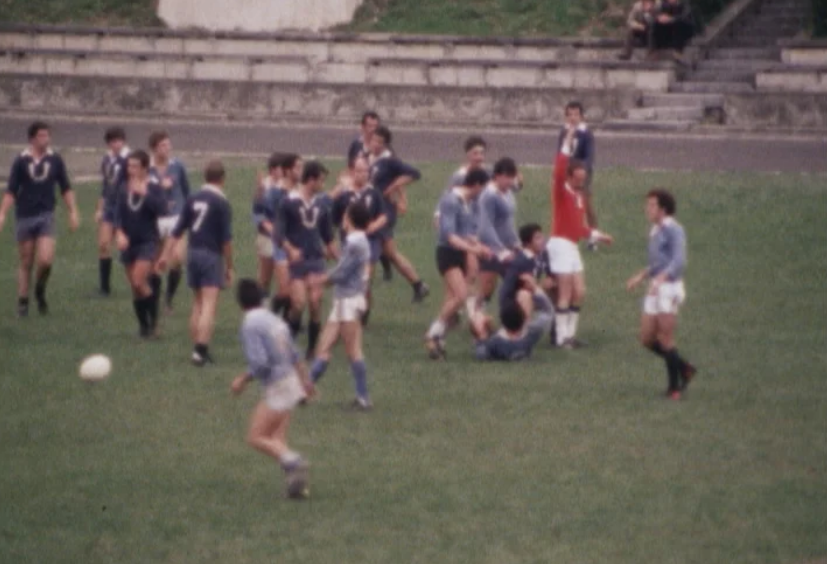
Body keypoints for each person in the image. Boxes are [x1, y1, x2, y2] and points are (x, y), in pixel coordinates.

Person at [231, 278, 314, 500]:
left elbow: (260, 363)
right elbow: (294, 353)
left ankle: (295, 462)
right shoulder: (274, 319)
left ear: (240, 303)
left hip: (278, 384)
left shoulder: (250, 324)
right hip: (291, 380)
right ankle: (296, 486)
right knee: (278, 438)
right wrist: (306, 382)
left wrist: (242, 379)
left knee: (256, 436)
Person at [0, 121, 80, 317]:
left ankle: (40, 289)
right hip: (24, 215)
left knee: (45, 260)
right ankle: (23, 301)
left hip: (46, 214)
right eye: (42, 136)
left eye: (47, 135)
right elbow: (11, 190)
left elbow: (65, 187)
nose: (46, 139)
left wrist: (72, 211)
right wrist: (2, 213)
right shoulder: (21, 161)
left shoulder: (55, 160)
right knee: (26, 261)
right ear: (32, 139)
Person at [160, 160, 234, 366]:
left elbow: (177, 231)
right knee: (209, 304)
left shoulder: (192, 198)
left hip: (192, 253)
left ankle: (197, 347)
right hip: (211, 255)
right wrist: (229, 266)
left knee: (197, 302)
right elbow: (226, 240)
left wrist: (165, 255)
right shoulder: (221, 203)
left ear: (204, 177)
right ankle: (200, 351)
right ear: (222, 179)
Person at [626, 188, 696, 400]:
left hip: (669, 288)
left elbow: (679, 261)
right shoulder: (655, 230)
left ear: (663, 209)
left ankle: (674, 388)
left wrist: (661, 279)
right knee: (646, 338)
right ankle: (684, 367)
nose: (647, 209)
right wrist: (642, 276)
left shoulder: (674, 230)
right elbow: (658, 262)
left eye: (652, 205)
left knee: (666, 338)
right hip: (655, 287)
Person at [548, 131, 613, 350]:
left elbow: (578, 227)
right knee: (565, 293)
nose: (580, 182)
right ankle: (561, 338)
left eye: (583, 179)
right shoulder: (561, 191)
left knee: (580, 292)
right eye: (577, 179)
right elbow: (558, 170)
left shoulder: (579, 196)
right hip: (560, 244)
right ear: (569, 177)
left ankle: (570, 335)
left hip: (572, 246)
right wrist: (566, 144)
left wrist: (598, 235)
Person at [308, 203, 374, 410]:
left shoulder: (355, 243)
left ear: (349, 219)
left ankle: (363, 398)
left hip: (349, 301)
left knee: (353, 350)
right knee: (324, 346)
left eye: (345, 215)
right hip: (343, 301)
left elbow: (341, 273)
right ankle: (303, 390)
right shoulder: (356, 241)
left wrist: (319, 281)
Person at [425, 169, 492, 359]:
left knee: (452, 300)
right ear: (476, 185)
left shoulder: (470, 203)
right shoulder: (451, 201)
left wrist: (480, 246)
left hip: (462, 253)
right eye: (483, 188)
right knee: (461, 295)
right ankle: (432, 333)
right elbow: (450, 236)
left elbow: (467, 233)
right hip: (448, 253)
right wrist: (474, 250)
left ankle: (438, 340)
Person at [277, 161, 337, 359]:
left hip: (316, 260)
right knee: (299, 303)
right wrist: (290, 249)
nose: (323, 185)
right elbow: (279, 234)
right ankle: (287, 341)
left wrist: (339, 257)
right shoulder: (288, 202)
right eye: (321, 180)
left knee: (315, 302)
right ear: (311, 180)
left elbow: (328, 236)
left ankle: (312, 348)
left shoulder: (321, 205)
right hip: (297, 262)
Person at [367, 125, 429, 302]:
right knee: (391, 253)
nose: (376, 144)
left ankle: (363, 294)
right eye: (374, 140)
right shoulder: (370, 158)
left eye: (380, 142)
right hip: (373, 211)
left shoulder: (389, 161)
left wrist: (394, 187)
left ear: (386, 144)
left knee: (372, 253)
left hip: (384, 212)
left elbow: (414, 173)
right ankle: (418, 285)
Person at [330, 156, 387, 326]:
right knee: (348, 278)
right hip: (348, 242)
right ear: (351, 172)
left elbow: (383, 216)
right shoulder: (344, 195)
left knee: (365, 278)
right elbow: (334, 219)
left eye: (365, 171)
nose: (362, 174)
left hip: (370, 241)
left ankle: (362, 314)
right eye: (359, 171)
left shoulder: (373, 193)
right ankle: (350, 311)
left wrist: (373, 226)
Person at [114, 150, 166, 337]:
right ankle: (144, 327)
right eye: (129, 166)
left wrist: (146, 194)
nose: (131, 170)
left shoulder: (154, 187)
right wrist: (119, 233)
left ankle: (154, 324)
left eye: (135, 166)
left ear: (145, 168)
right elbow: (117, 214)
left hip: (148, 241)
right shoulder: (123, 187)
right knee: (135, 288)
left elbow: (162, 209)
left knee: (139, 280)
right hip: (129, 243)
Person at [149, 130, 191, 313]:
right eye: (162, 145)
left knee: (177, 259)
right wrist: (159, 187)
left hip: (176, 217)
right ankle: (154, 301)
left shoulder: (177, 166)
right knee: (156, 262)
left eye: (168, 144)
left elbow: (186, 190)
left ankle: (168, 299)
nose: (167, 148)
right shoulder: (147, 168)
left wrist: (190, 214)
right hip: (155, 219)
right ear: (154, 149)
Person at [476, 157, 521, 308]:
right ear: (497, 176)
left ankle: (480, 314)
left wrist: (515, 242)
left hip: (508, 247)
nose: (510, 181)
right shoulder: (489, 196)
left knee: (515, 284)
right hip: (492, 248)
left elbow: (508, 222)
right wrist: (500, 250)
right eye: (507, 177)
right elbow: (485, 226)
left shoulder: (507, 192)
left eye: (512, 177)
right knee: (487, 287)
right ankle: (476, 315)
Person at [556, 102, 599, 251]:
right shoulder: (564, 131)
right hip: (567, 173)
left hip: (581, 174)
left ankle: (593, 237)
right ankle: (565, 234)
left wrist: (582, 170)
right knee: (565, 204)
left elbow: (589, 156)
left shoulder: (586, 133)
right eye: (570, 114)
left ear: (581, 116)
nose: (573, 118)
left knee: (586, 205)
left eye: (576, 114)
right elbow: (560, 151)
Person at [471, 289, 554, 362]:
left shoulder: (495, 342)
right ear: (523, 318)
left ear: (502, 322)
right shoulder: (531, 334)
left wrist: (481, 338)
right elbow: (547, 312)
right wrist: (536, 290)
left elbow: (482, 354)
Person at [95, 126, 129, 297]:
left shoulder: (130, 159)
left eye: (119, 141)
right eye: (114, 141)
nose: (117, 144)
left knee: (127, 248)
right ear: (108, 144)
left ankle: (140, 283)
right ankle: (104, 288)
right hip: (109, 206)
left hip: (125, 208)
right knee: (103, 245)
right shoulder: (107, 159)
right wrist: (100, 208)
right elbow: (105, 185)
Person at [252, 153, 283, 301]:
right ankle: (261, 305)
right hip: (267, 237)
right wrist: (270, 228)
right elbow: (257, 213)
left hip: (282, 239)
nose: (283, 171)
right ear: (272, 170)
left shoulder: (285, 186)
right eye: (280, 168)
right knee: (264, 278)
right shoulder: (264, 187)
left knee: (282, 278)